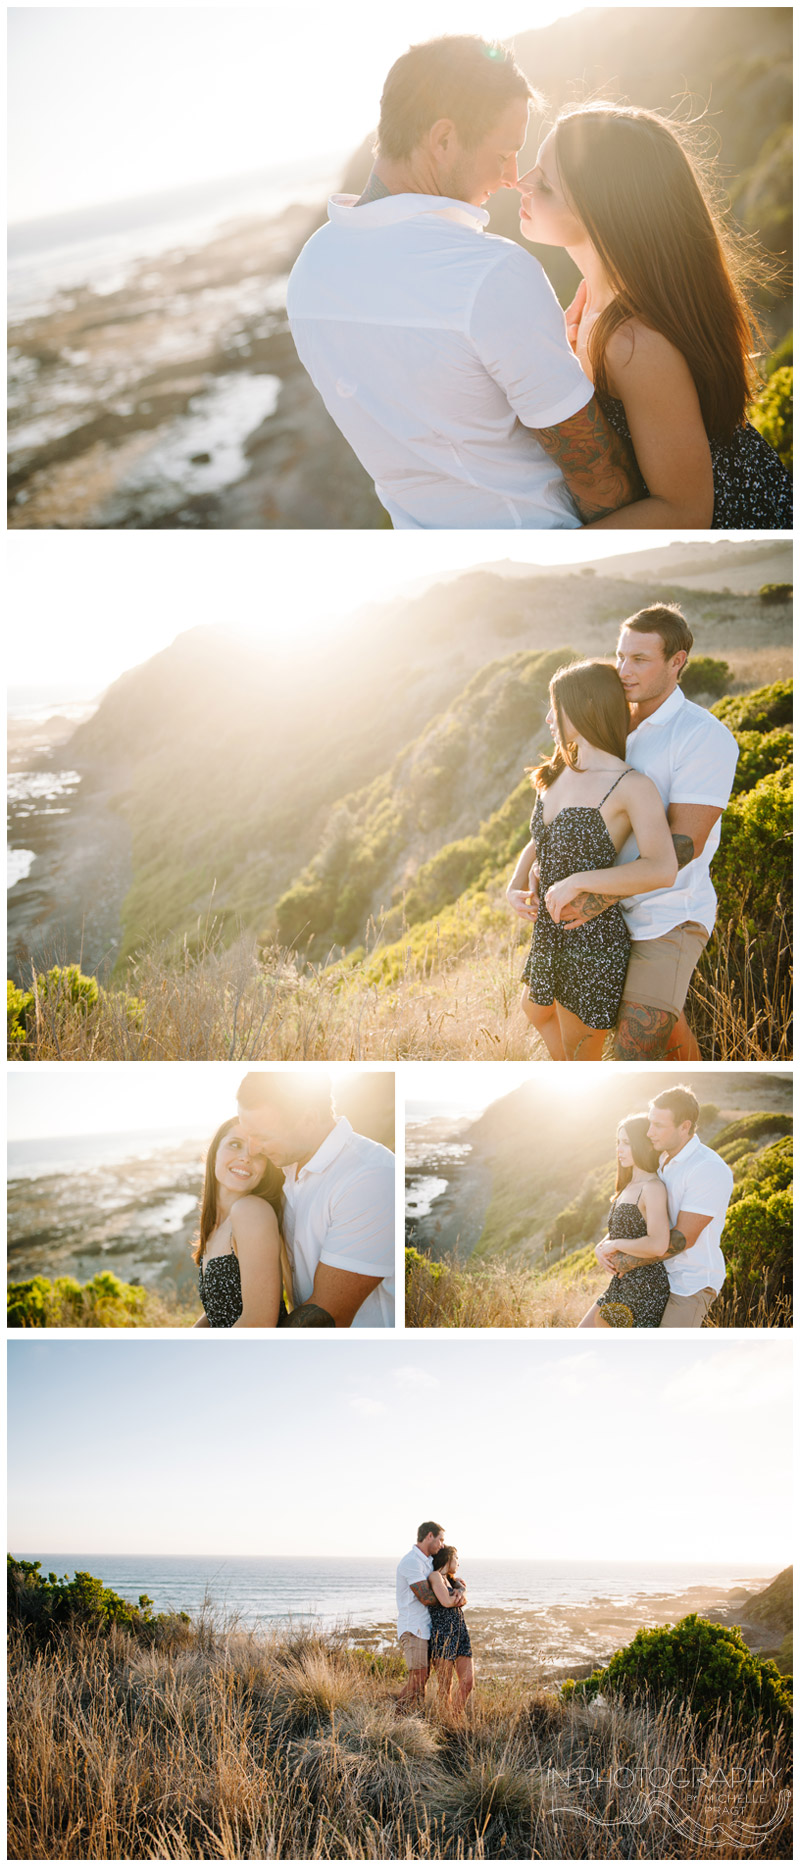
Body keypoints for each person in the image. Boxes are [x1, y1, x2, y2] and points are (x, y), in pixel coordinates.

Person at [287, 35, 643, 530]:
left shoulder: (309, 272)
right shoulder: (489, 272)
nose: (511, 176)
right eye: (504, 153)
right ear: (444, 139)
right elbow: (600, 480)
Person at [517, 102, 792, 529]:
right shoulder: (594, 299)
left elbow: (684, 512)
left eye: (546, 185)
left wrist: (548, 551)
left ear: (604, 212)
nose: (521, 183)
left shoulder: (634, 341)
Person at [508, 659, 677, 1061]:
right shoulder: (557, 772)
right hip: (550, 930)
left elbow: (662, 866)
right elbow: (539, 841)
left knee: (579, 1048)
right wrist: (514, 885)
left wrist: (578, 882)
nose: (549, 718)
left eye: (556, 707)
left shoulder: (631, 786)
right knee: (535, 1011)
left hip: (592, 936)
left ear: (584, 708)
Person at [235, 1071, 395, 1327]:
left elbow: (327, 1315)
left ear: (309, 1118)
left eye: (263, 1137)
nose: (253, 1149)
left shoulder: (371, 1177)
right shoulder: (284, 1166)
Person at [579, 1115, 672, 1328]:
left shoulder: (653, 1188)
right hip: (622, 1284)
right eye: (618, 1142)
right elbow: (624, 1229)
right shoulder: (628, 1186)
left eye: (627, 1143)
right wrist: (600, 1247)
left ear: (645, 1145)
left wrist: (615, 1245)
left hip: (645, 1289)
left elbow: (658, 1244)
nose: (620, 1149)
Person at [192, 1118, 286, 1328]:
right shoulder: (215, 1227)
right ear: (214, 1152)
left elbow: (259, 1321)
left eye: (259, 1153)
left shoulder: (251, 1211)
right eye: (235, 1144)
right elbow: (216, 1312)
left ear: (265, 1170)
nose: (246, 1157)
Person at [395, 1520, 455, 1712]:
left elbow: (444, 1581)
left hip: (426, 1628)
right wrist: (450, 1597)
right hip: (413, 1628)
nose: (442, 1545)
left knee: (424, 1677)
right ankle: (394, 1715)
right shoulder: (411, 1561)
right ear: (429, 1536)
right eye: (440, 1539)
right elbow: (427, 1598)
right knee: (418, 1677)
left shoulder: (428, 1562)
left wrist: (456, 1587)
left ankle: (414, 1717)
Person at [428, 1544, 474, 1712]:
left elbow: (463, 1600)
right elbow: (447, 1602)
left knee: (467, 1682)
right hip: (443, 1634)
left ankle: (454, 1717)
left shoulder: (452, 1581)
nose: (458, 1563)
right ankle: (445, 1722)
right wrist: (459, 1595)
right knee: (445, 1687)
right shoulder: (435, 1576)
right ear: (448, 1558)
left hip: (461, 1632)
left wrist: (461, 1590)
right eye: (456, 1558)